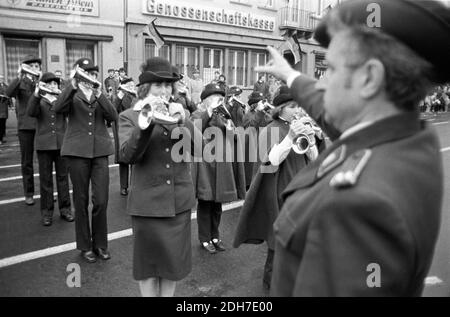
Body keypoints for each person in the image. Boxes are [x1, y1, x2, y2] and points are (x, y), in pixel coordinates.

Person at [256, 0, 448, 296]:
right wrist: (291, 76)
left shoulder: (360, 206)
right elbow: (327, 106)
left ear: (369, 78)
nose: (322, 82)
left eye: (330, 69)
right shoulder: (402, 134)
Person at [118, 57, 202, 297]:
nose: (164, 91)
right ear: (146, 88)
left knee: (171, 268)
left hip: (178, 203)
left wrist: (184, 121)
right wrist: (145, 122)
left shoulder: (181, 112)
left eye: (168, 86)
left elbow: (201, 150)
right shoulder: (130, 116)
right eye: (158, 85)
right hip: (147, 206)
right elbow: (126, 155)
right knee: (148, 269)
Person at [234, 87, 322, 290]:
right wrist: (290, 137)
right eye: (292, 107)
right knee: (278, 252)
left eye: (299, 106)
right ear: (280, 109)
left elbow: (315, 160)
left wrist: (310, 141)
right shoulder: (270, 129)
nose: (298, 110)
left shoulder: (300, 126)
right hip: (280, 194)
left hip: (301, 194)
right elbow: (269, 163)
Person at [55, 58, 118, 263]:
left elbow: (113, 116)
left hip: (99, 151)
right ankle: (84, 245)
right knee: (80, 200)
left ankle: (100, 244)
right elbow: (58, 108)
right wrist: (72, 86)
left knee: (100, 200)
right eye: (86, 72)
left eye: (93, 73)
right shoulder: (71, 92)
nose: (90, 76)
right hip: (77, 152)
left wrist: (100, 94)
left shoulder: (100, 93)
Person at [191, 84, 246, 254]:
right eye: (215, 98)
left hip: (222, 166)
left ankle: (215, 235)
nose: (219, 101)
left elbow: (235, 138)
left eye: (220, 98)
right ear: (206, 100)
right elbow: (194, 131)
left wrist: (230, 128)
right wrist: (208, 112)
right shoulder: (197, 114)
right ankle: (204, 238)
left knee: (217, 205)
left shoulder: (224, 116)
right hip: (206, 166)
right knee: (206, 203)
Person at [27, 72, 74, 226]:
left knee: (62, 178)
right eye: (50, 84)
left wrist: (64, 94)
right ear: (44, 85)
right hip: (44, 145)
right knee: (45, 180)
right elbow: (31, 112)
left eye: (55, 84)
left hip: (60, 144)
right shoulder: (39, 100)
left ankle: (65, 209)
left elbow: (70, 110)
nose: (53, 86)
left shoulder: (61, 100)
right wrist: (36, 93)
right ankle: (47, 212)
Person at [6, 55, 42, 206]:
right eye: (32, 65)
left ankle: (46, 192)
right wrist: (20, 74)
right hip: (26, 127)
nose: (35, 68)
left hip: (41, 125)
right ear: (26, 67)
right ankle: (29, 193)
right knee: (27, 162)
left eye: (37, 66)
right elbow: (9, 92)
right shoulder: (21, 81)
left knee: (44, 162)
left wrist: (41, 81)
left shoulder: (41, 81)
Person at [113, 77, 137, 196]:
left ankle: (134, 184)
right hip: (122, 129)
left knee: (135, 157)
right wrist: (120, 95)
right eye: (130, 85)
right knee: (123, 160)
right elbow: (113, 110)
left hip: (135, 127)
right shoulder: (120, 96)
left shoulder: (136, 96)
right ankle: (124, 186)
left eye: (133, 85)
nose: (132, 87)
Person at [0, 74, 11, 145]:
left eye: (2, 78)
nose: (2, 79)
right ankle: (0, 138)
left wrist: (10, 104)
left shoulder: (6, 86)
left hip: (4, 106)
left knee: (3, 122)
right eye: (1, 78)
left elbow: (8, 94)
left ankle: (2, 136)